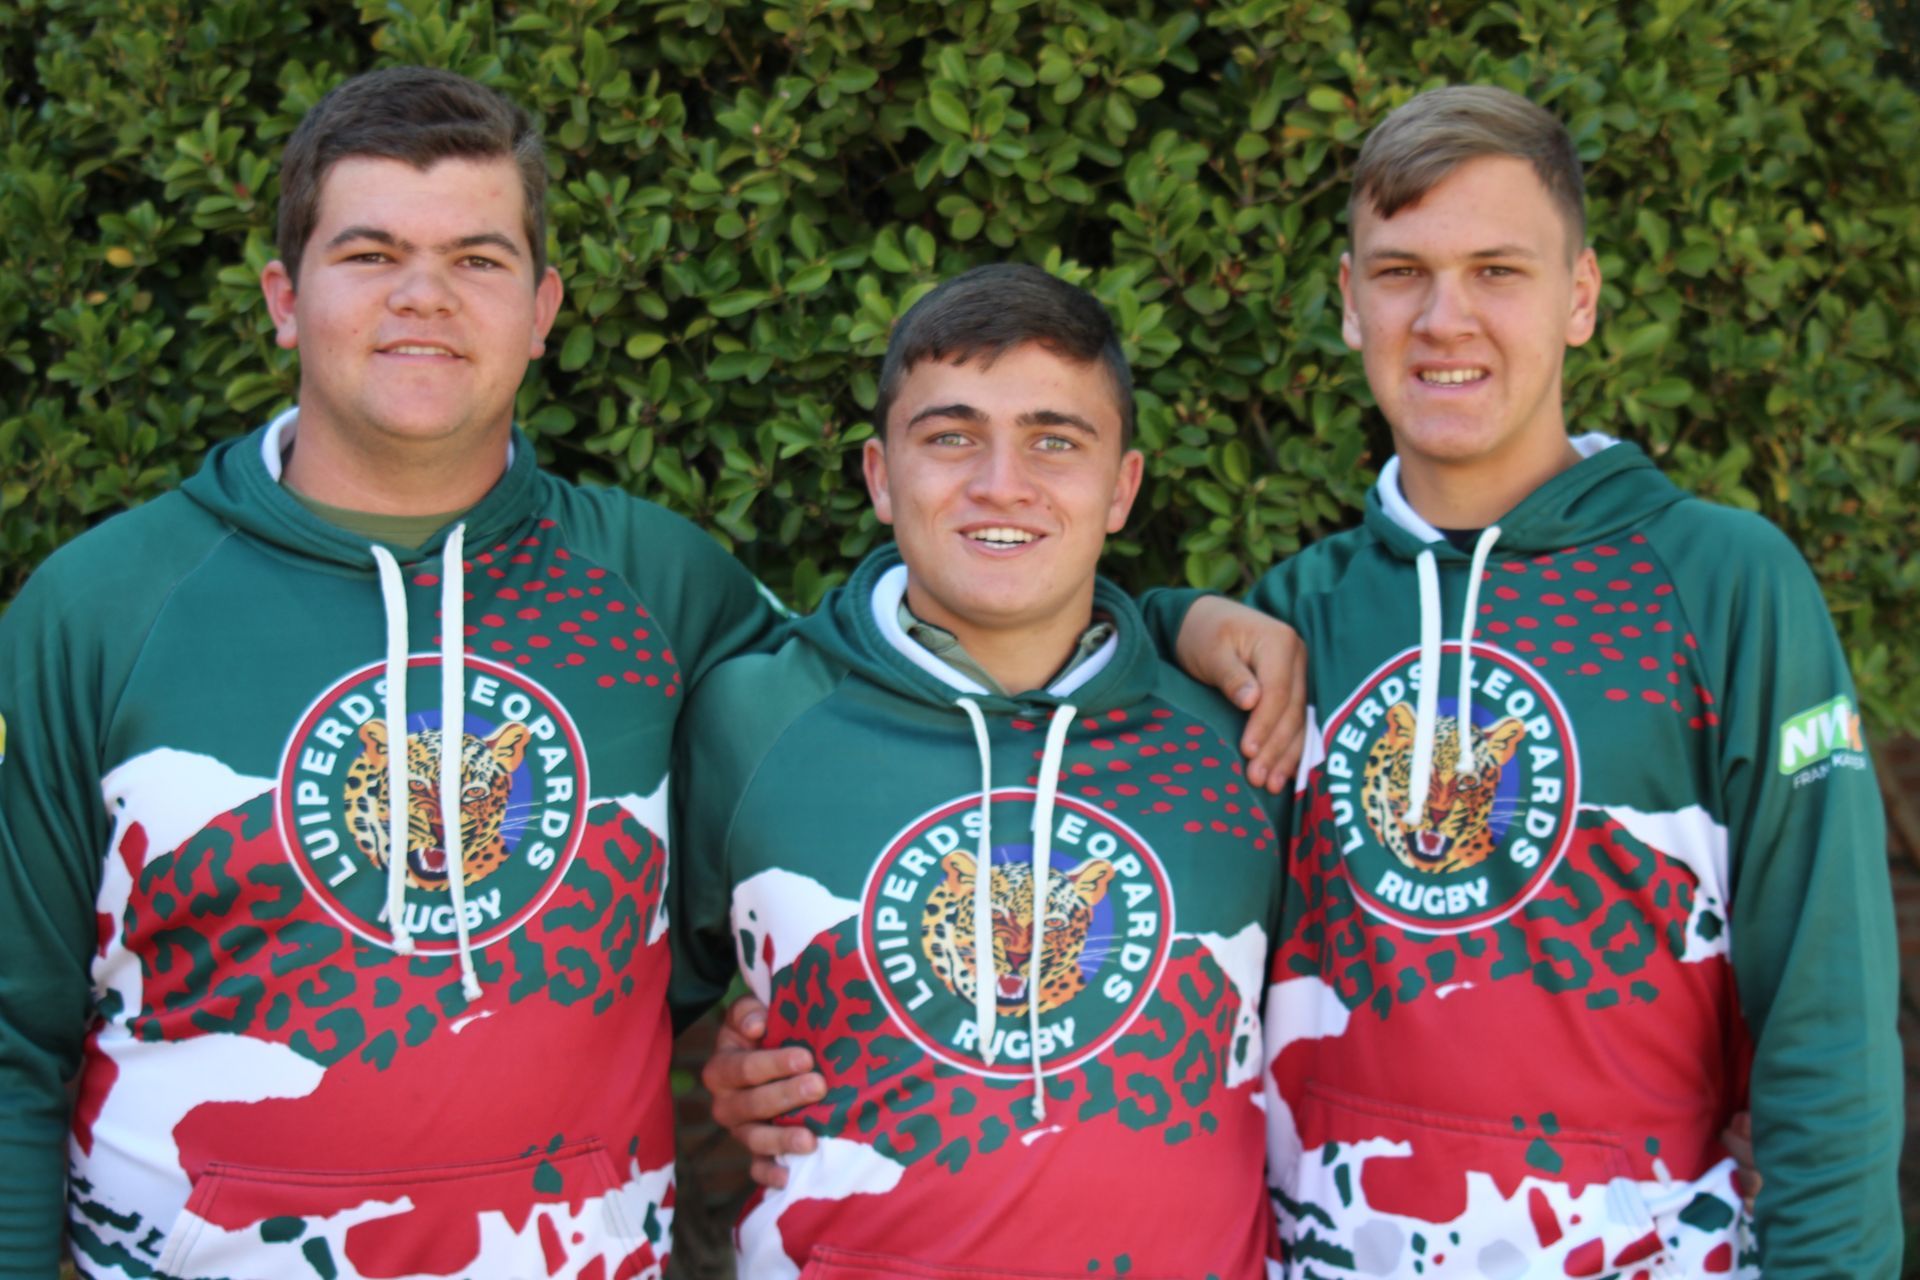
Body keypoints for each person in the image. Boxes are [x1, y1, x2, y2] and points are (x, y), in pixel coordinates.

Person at [0, 67, 1304, 1279]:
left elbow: (937, 671)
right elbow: (12, 1032)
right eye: (370, 254)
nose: (423, 297)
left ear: (543, 309)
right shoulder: (99, 610)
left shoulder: (657, 587)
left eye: (477, 258)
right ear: (284, 297)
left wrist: (1170, 626)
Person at [1233, 85, 1898, 1277]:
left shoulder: (1723, 580)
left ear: (1580, 297)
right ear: (1349, 300)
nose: (1444, 318)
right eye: (1401, 272)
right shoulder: (1290, 616)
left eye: (1497, 271)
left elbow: (1826, 998)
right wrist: (1179, 622)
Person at [671, 264, 1290, 1278]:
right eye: (952, 436)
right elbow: (594, 1018)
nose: (1002, 482)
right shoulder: (753, 720)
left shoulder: (1239, 733)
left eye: (1056, 440)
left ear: (1123, 487)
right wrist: (730, 1069)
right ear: (880, 476)